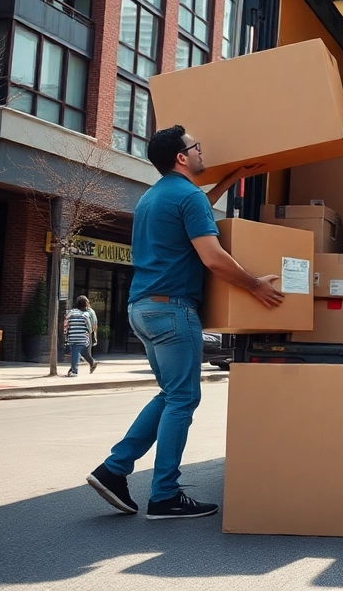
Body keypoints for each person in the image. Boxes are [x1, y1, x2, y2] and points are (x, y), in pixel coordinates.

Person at [86, 125, 284, 520]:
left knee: (171, 394)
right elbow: (212, 257)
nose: (201, 151)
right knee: (183, 398)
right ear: (182, 157)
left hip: (143, 309)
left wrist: (228, 180)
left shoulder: (154, 197)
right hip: (173, 310)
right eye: (197, 147)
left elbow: (195, 210)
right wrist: (254, 286)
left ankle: (114, 469)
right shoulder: (187, 197)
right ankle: (164, 495)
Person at [62, 297, 94, 377]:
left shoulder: (70, 313)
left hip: (72, 337)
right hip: (82, 338)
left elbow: (66, 326)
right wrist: (89, 334)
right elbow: (89, 328)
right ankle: (91, 363)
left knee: (75, 353)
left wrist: (66, 334)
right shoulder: (85, 315)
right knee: (81, 352)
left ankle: (74, 371)